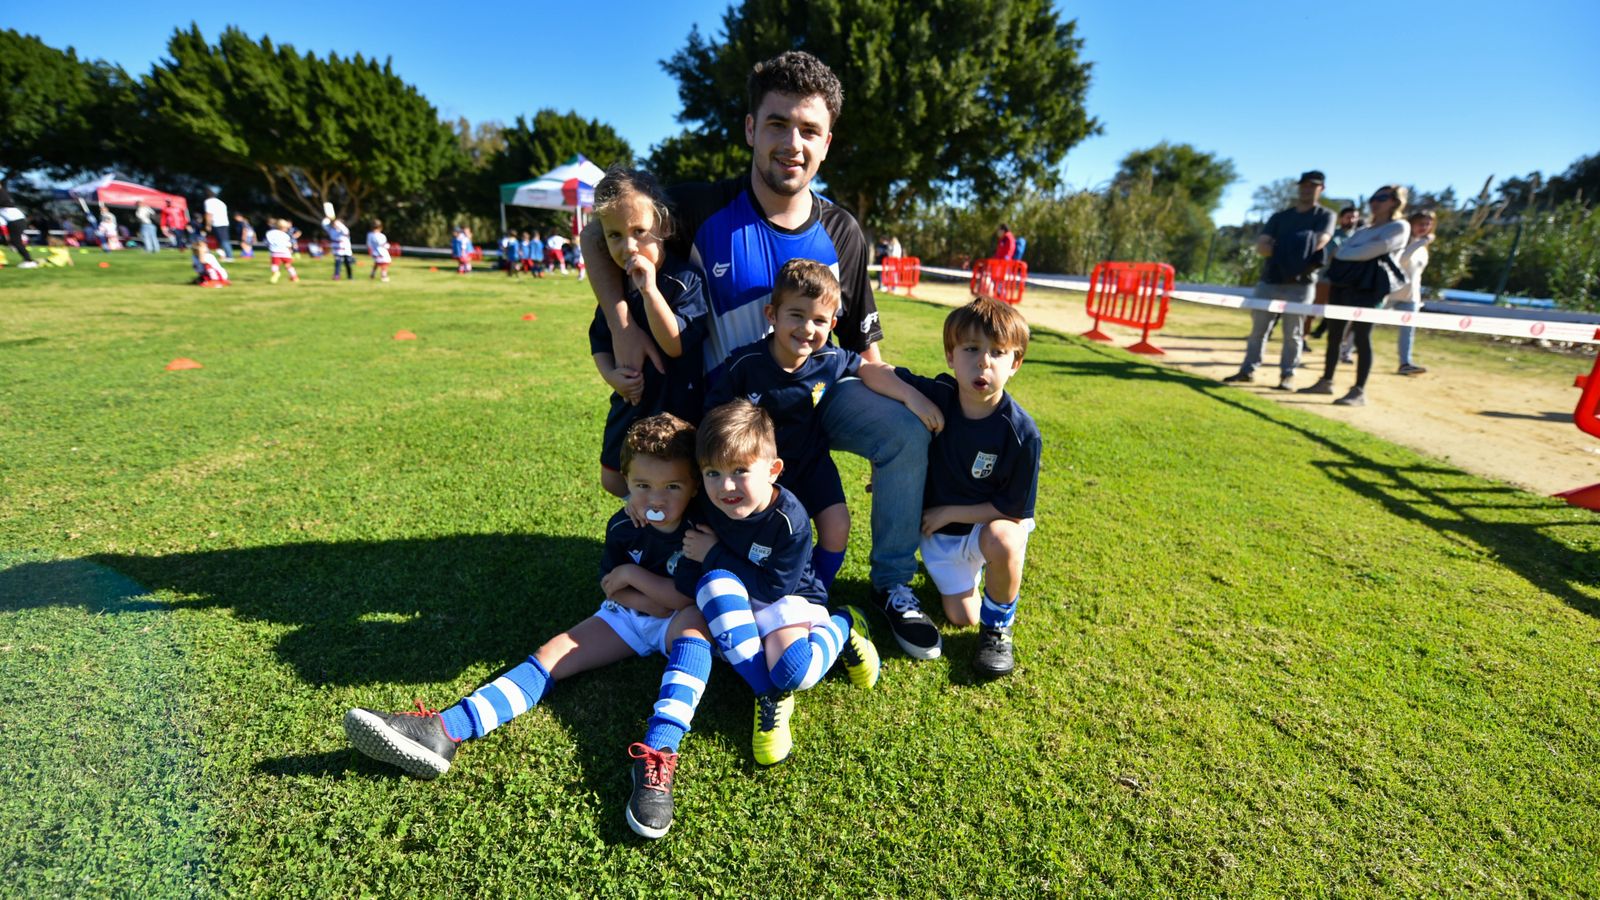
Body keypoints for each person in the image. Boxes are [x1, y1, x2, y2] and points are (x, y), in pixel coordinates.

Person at [581, 51, 940, 661]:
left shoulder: (843, 232)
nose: (791, 143)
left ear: (827, 142)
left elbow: (863, 346)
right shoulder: (698, 208)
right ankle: (687, 573)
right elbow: (600, 227)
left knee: (904, 428)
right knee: (649, 491)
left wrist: (903, 397)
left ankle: (891, 584)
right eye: (777, 124)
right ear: (751, 129)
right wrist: (620, 324)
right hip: (726, 404)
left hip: (814, 400)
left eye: (808, 130)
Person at [344, 414, 716, 839]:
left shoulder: (701, 527)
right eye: (643, 486)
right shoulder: (622, 526)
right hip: (631, 616)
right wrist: (637, 591)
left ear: (693, 485)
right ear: (627, 481)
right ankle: (445, 730)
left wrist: (635, 580)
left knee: (693, 627)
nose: (657, 499)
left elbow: (683, 598)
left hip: (679, 618)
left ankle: (657, 754)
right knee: (551, 654)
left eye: (673, 486)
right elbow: (611, 591)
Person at [707, 259, 941, 591]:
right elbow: (713, 418)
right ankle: (749, 584)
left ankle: (813, 591)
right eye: (797, 315)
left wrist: (909, 396)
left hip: (811, 463)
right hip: (756, 472)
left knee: (837, 528)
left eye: (819, 320)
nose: (807, 328)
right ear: (772, 315)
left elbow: (868, 368)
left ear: (832, 324)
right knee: (756, 533)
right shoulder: (745, 364)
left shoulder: (828, 359)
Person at [688, 400, 879, 766]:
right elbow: (671, 500)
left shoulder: (790, 520)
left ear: (773, 470)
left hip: (788, 599)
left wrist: (712, 553)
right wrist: (636, 504)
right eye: (712, 473)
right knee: (712, 586)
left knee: (793, 671)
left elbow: (774, 587)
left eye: (740, 470)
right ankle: (769, 695)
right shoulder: (709, 501)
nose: (725, 486)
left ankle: (844, 625)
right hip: (739, 595)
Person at [867, 299, 1040, 678]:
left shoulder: (1022, 433)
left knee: (1005, 541)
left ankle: (997, 630)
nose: (983, 363)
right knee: (961, 617)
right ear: (950, 355)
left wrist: (949, 512)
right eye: (971, 349)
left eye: (998, 353)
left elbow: (1012, 510)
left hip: (985, 524)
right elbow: (871, 371)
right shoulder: (940, 395)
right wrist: (911, 396)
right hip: (943, 538)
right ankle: (967, 579)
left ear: (1015, 364)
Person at [587, 166, 708, 499]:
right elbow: (599, 339)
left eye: (639, 231)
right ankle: (643, 520)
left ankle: (665, 539)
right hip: (632, 404)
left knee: (677, 479)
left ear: (664, 226)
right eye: (615, 235)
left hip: (677, 406)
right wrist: (612, 375)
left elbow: (676, 344)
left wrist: (651, 291)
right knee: (614, 479)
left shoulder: (686, 279)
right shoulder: (615, 287)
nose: (629, 246)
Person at [1222, 171, 1336, 391]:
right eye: (1303, 185)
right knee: (1258, 329)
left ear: (1321, 189)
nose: (1306, 189)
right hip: (1270, 279)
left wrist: (1283, 247)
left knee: (1293, 333)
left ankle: (1287, 375)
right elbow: (1262, 247)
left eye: (1312, 186)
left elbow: (1321, 241)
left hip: (1302, 283)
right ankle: (1247, 370)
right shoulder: (1280, 217)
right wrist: (1294, 247)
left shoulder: (1325, 215)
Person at [1299, 185, 1412, 406]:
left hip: (1370, 288)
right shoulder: (1363, 230)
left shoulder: (1399, 226)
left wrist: (1353, 252)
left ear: (1395, 201)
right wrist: (1356, 252)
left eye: (1382, 197)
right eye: (1374, 197)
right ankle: (1326, 381)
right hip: (1344, 285)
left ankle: (1359, 390)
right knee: (1334, 334)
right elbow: (1341, 251)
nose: (1376, 202)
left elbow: (1371, 250)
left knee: (1362, 337)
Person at [1390, 210, 1436, 376]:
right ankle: (1346, 351)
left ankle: (1405, 363)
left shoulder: (1423, 248)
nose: (1424, 227)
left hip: (1411, 297)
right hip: (1391, 294)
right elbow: (1402, 260)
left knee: (1408, 331)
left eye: (1428, 224)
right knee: (1366, 324)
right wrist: (1420, 242)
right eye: (1420, 223)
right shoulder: (1403, 243)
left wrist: (1422, 244)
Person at [1308, 206, 1361, 342]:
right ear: (1341, 218)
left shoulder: (1359, 237)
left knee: (1342, 314)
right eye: (1349, 217)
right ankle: (1303, 337)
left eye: (1354, 217)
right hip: (1326, 278)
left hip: (1348, 282)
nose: (1352, 220)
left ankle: (1339, 344)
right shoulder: (1332, 234)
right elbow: (1328, 255)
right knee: (1315, 308)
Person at [0, 183, 37, 267]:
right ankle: (14, 247)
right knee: (13, 241)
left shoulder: (2, 194)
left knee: (17, 242)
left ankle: (29, 261)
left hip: (16, 221)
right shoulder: (3, 195)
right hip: (14, 221)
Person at [265, 219, 299, 284]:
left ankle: (276, 273)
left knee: (275, 265)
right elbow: (288, 245)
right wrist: (291, 252)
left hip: (275, 252)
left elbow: (268, 242)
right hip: (285, 252)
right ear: (283, 228)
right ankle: (294, 277)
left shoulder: (270, 233)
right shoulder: (285, 235)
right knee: (288, 265)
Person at [323, 215, 354, 280]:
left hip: (346, 251)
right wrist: (327, 218)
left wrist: (337, 222)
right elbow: (324, 225)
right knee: (337, 263)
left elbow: (345, 230)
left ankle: (350, 276)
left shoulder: (344, 231)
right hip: (337, 251)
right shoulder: (331, 230)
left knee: (348, 263)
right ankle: (336, 275)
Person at [203, 190, 232, 259]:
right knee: (222, 240)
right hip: (225, 223)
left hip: (216, 223)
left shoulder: (208, 202)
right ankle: (223, 255)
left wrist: (208, 225)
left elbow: (209, 214)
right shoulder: (221, 202)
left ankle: (229, 256)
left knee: (222, 241)